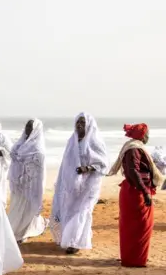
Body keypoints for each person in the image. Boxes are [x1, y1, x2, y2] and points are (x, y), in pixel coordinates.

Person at [50, 113, 108, 255]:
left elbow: (103, 164)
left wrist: (87, 168)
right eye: (77, 122)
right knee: (70, 211)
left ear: (89, 124)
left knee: (82, 211)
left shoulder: (95, 141)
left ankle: (74, 242)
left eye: (82, 122)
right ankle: (71, 239)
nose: (79, 125)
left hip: (89, 185)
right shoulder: (72, 141)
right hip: (71, 185)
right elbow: (65, 165)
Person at [108, 124, 163, 267]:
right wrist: (145, 192)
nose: (148, 137)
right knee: (140, 227)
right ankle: (134, 260)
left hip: (133, 190)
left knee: (133, 228)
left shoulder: (132, 146)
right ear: (141, 135)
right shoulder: (134, 149)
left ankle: (133, 258)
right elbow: (133, 171)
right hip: (136, 192)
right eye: (146, 134)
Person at [8, 119, 48, 243]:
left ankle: (25, 231)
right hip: (18, 184)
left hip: (30, 185)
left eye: (31, 127)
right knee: (17, 207)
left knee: (28, 208)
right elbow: (13, 156)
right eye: (27, 126)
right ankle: (19, 229)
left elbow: (38, 171)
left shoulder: (38, 148)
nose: (28, 129)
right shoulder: (20, 143)